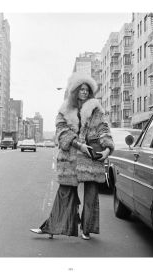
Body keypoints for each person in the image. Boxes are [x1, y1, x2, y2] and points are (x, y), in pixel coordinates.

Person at [30, 72, 114, 240]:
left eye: (87, 89)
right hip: (70, 157)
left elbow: (103, 129)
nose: (84, 92)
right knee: (65, 192)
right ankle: (52, 227)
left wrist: (107, 149)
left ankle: (86, 229)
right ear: (75, 91)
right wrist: (79, 145)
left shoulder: (96, 108)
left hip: (91, 157)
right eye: (81, 89)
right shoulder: (65, 109)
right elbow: (61, 132)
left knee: (91, 195)